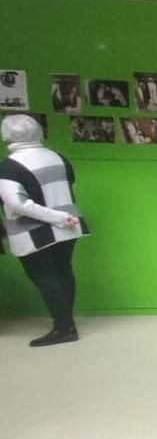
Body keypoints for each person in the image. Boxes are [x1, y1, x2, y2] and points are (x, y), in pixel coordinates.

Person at [0, 115, 89, 346]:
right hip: (70, 224)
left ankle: (64, 327)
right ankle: (66, 322)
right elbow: (68, 183)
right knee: (63, 272)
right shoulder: (58, 157)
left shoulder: (9, 167)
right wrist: (63, 217)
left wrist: (56, 218)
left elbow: (17, 204)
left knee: (43, 276)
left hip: (35, 230)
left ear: (7, 136)